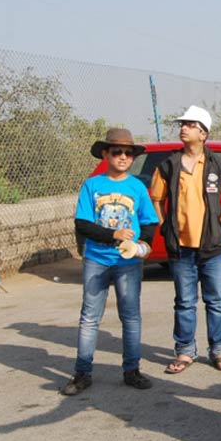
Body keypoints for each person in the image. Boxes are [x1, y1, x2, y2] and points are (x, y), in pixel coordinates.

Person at [61, 128, 158, 396]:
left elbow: (149, 221)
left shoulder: (137, 187)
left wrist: (145, 245)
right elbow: (82, 224)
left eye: (129, 152)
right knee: (90, 318)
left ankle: (132, 370)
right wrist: (112, 234)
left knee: (131, 317)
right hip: (97, 260)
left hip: (128, 263)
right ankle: (82, 372)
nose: (124, 157)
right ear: (105, 154)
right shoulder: (92, 185)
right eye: (117, 152)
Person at [151, 105, 221, 374]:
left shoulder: (220, 165)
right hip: (181, 247)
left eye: (189, 124)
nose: (183, 128)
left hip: (212, 247)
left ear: (203, 133)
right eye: (182, 124)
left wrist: (220, 225)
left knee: (216, 300)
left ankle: (219, 349)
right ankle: (185, 350)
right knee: (185, 301)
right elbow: (156, 199)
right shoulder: (167, 165)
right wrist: (166, 227)